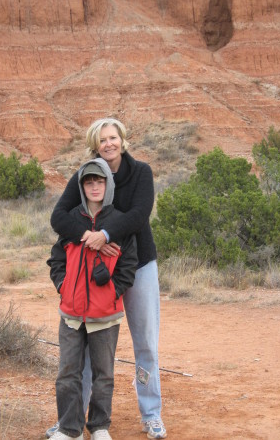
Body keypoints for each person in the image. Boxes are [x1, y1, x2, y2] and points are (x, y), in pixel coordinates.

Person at [47, 118, 167, 439]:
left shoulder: (140, 172)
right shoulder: (85, 175)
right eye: (103, 140)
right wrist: (89, 235)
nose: (109, 144)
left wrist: (106, 234)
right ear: (95, 145)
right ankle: (72, 420)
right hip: (93, 278)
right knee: (87, 349)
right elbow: (59, 217)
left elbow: (139, 215)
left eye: (113, 137)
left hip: (137, 266)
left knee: (146, 345)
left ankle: (151, 412)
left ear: (122, 140)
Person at [47, 158, 138, 440]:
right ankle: (69, 429)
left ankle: (99, 427)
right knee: (68, 373)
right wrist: (63, 286)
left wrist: (112, 293)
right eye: (89, 182)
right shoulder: (70, 220)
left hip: (105, 314)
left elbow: (128, 265)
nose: (94, 186)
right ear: (82, 186)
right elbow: (56, 259)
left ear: (107, 184)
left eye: (99, 181)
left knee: (104, 375)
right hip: (71, 313)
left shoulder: (119, 222)